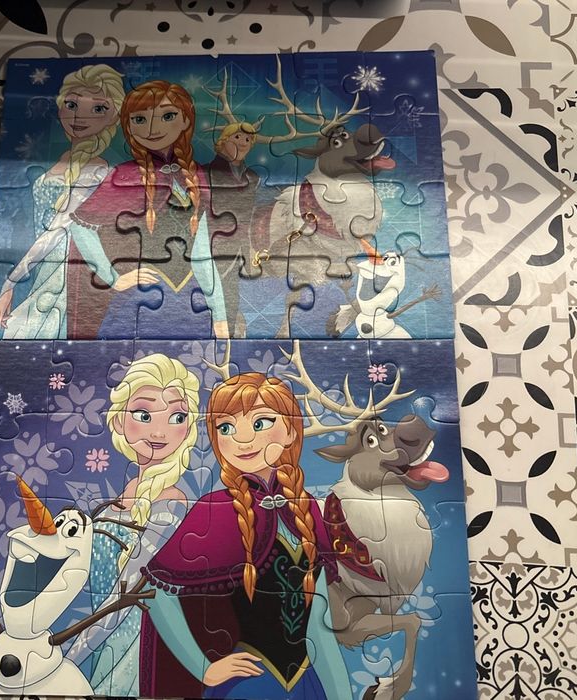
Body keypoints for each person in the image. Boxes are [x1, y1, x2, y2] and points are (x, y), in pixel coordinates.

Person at [140, 373, 352, 700]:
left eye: (260, 422)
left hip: (307, 684)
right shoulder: (215, 510)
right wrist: (203, 668)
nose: (242, 439)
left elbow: (319, 632)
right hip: (246, 685)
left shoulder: (307, 508)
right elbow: (154, 591)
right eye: (226, 428)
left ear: (291, 430)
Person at [65, 354, 200, 696]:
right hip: (101, 636)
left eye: (177, 417)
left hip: (139, 646)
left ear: (189, 427)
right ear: (118, 420)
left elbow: (125, 592)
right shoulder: (126, 492)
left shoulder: (172, 502)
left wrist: (69, 657)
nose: (159, 432)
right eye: (143, 414)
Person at [65, 80, 229, 339]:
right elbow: (80, 225)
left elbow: (202, 253)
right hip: (139, 298)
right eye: (140, 119)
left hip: (190, 299)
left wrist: (219, 314)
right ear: (129, 126)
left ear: (186, 120)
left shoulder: (196, 174)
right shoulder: (125, 175)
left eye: (167, 116)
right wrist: (114, 278)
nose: (152, 128)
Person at [0, 64, 125, 339]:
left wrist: (11, 280)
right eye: (72, 104)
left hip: (68, 275)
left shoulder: (97, 170)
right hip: (43, 268)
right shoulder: (60, 160)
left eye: (98, 108)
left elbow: (58, 230)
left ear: (114, 116)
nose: (80, 115)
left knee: (28, 336)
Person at [206, 122, 260, 337]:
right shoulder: (206, 172)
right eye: (237, 137)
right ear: (223, 140)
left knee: (229, 293)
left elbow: (248, 217)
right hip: (207, 245)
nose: (243, 143)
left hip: (235, 247)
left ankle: (225, 338)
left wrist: (248, 249)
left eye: (248, 140)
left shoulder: (252, 177)